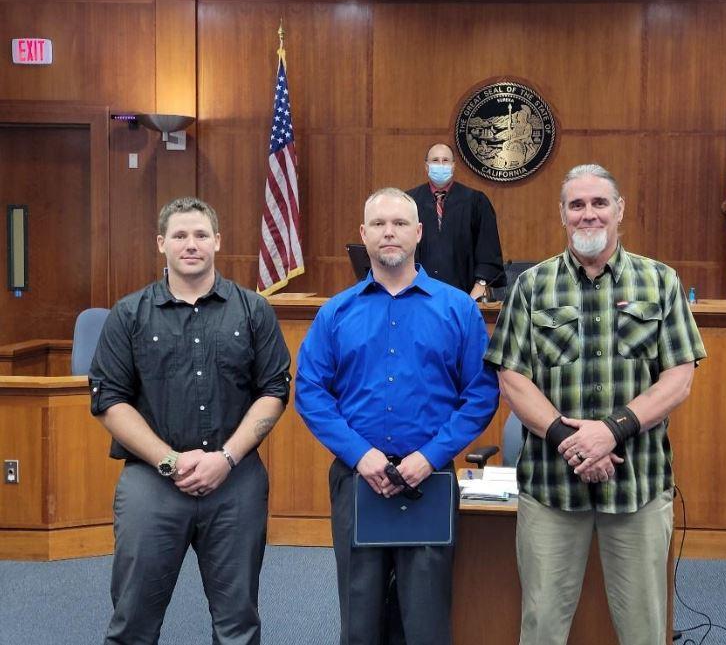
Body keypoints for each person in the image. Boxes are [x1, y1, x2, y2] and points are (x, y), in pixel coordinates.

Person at [484, 164, 707, 645]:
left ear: (619, 210)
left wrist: (613, 430)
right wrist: (574, 441)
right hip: (551, 490)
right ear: (562, 214)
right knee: (542, 624)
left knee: (645, 628)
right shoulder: (531, 286)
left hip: (638, 489)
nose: (589, 214)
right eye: (577, 205)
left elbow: (679, 378)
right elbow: (512, 377)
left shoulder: (660, 281)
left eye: (599, 203)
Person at [296, 187, 499, 645]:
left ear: (419, 233)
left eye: (401, 223)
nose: (390, 232)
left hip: (428, 477)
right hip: (357, 478)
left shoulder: (458, 309)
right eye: (380, 224)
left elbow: (481, 394)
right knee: (360, 617)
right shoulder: (336, 313)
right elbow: (310, 391)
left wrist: (430, 456)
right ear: (364, 235)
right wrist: (360, 455)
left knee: (426, 621)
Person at [89, 197, 292, 645]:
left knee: (238, 623)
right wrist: (169, 462)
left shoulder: (253, 310)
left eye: (201, 234)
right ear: (161, 243)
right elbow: (108, 400)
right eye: (179, 235)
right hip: (152, 481)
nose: (191, 244)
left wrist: (226, 458)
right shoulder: (129, 314)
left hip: (235, 480)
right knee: (132, 622)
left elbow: (274, 391)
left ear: (218, 241)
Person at [406, 143, 505, 298]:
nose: (440, 165)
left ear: (453, 166)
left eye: (445, 160)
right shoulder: (408, 202)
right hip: (416, 295)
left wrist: (478, 289)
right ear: (426, 166)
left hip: (464, 295)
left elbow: (488, 250)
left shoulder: (475, 201)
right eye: (435, 160)